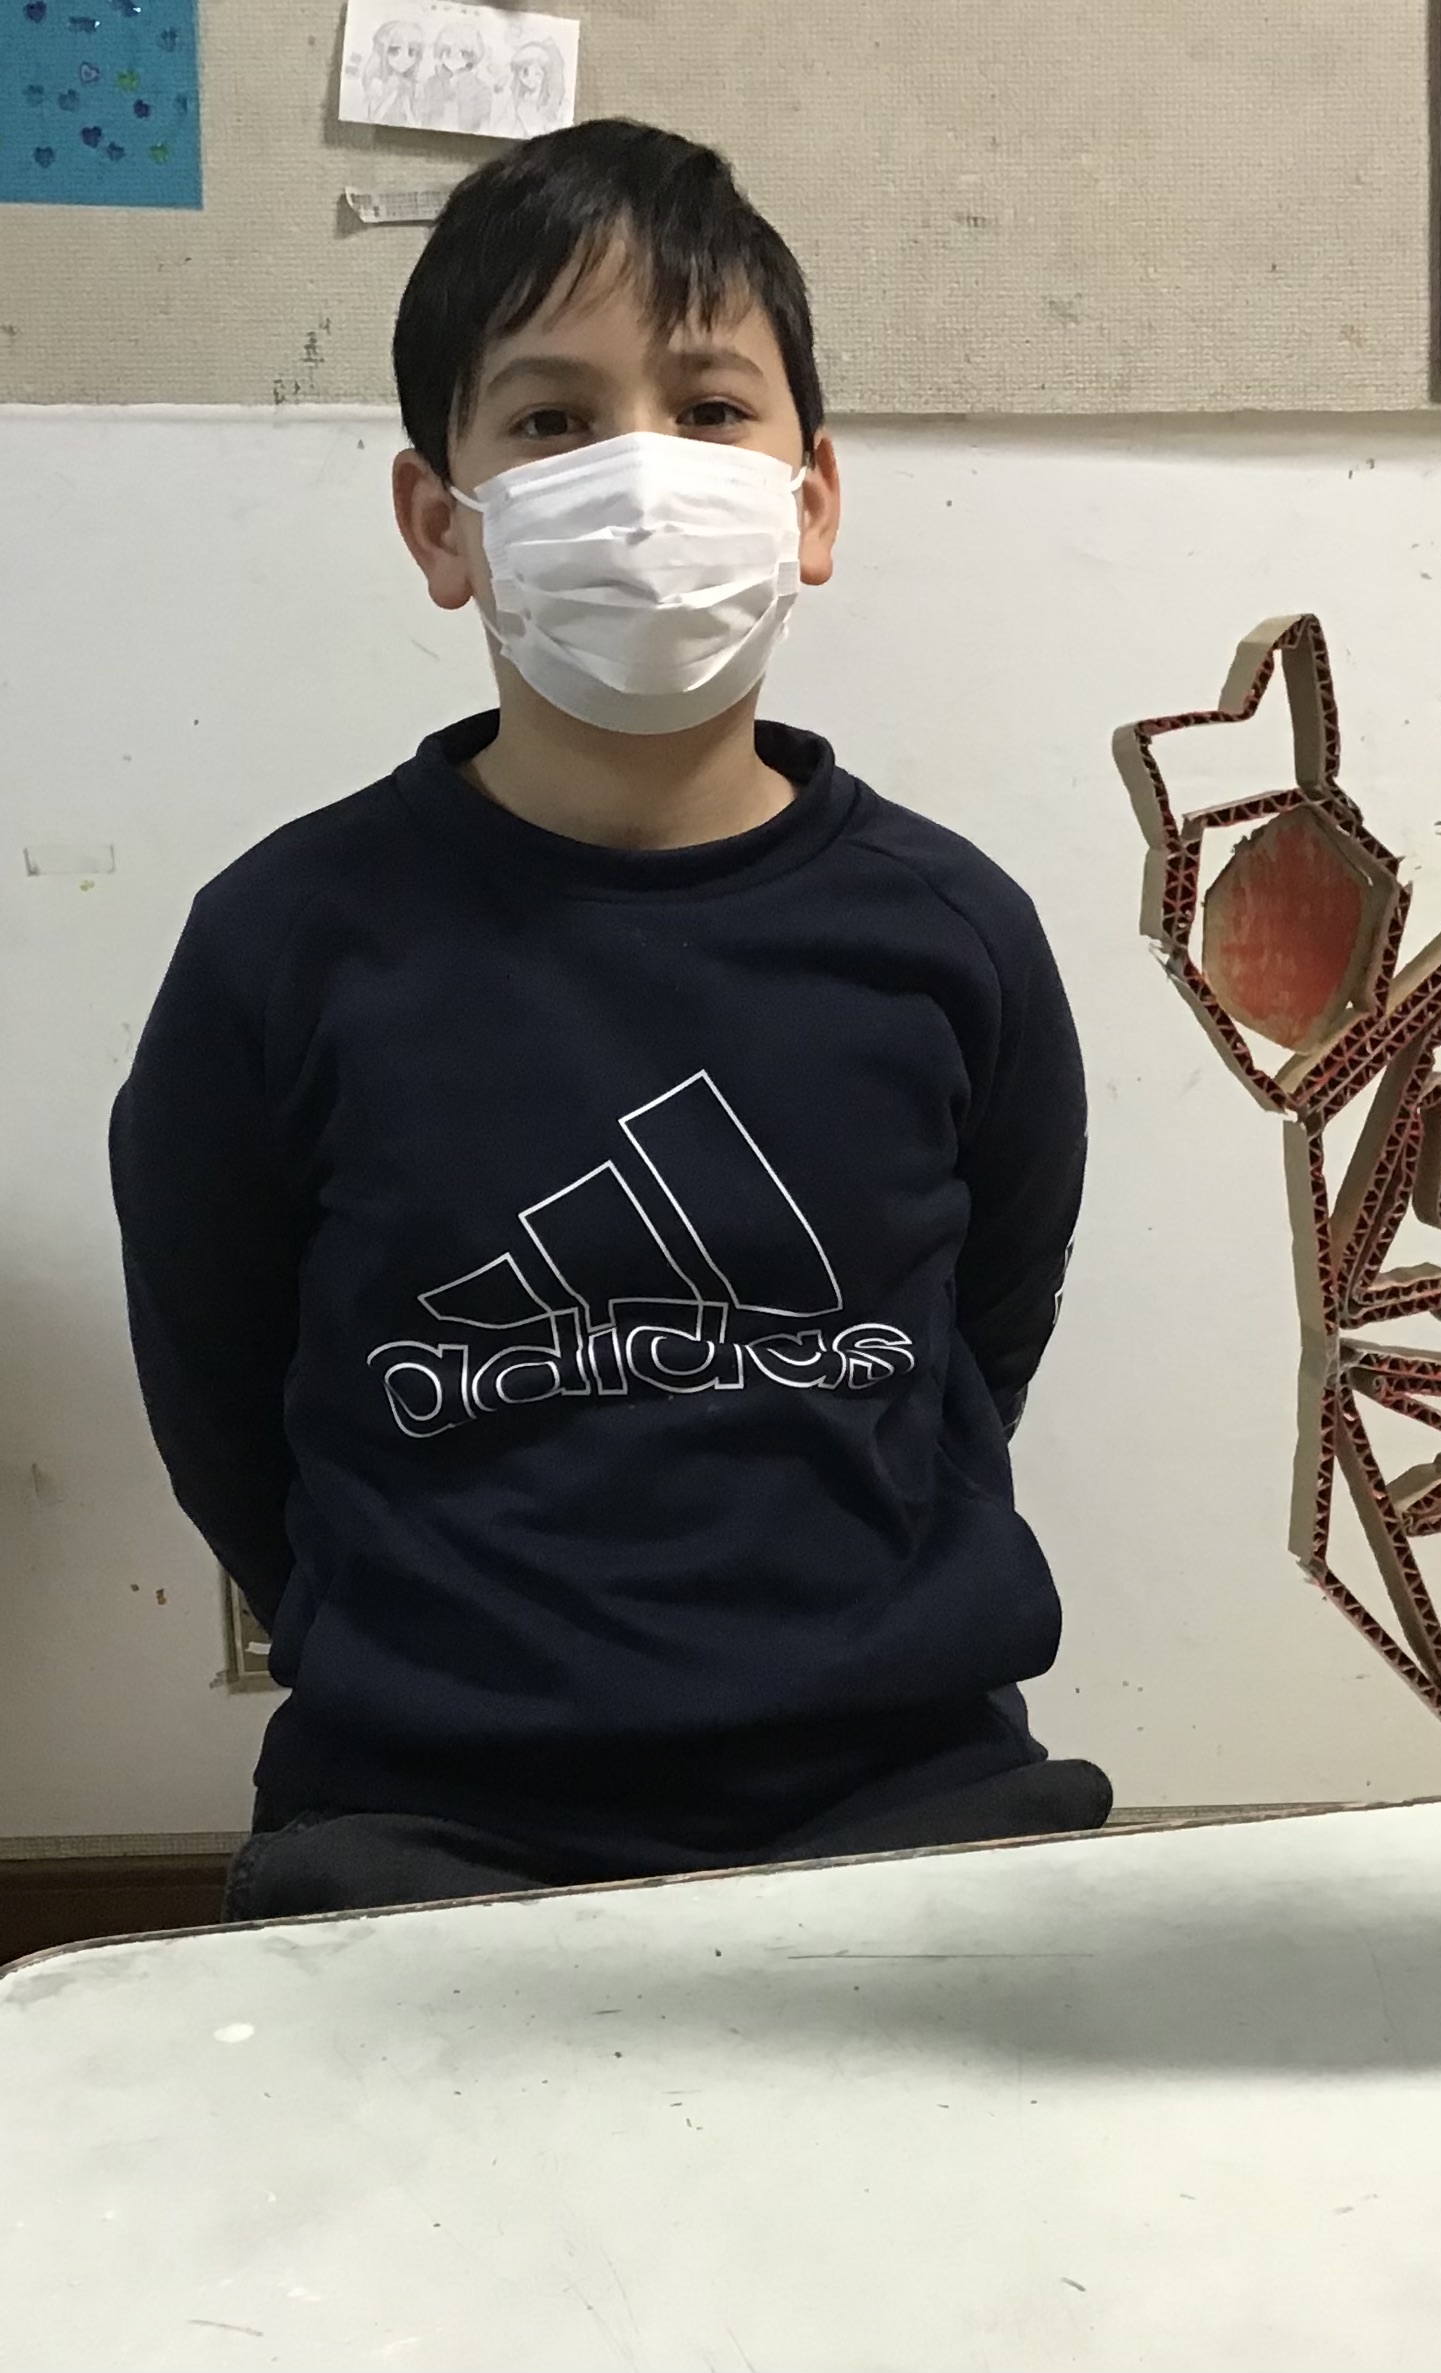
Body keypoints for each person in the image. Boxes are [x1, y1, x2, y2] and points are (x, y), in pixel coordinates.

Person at [110, 119, 1105, 1920]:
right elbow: (225, 1397)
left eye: (711, 409)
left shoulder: (954, 937)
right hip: (424, 1811)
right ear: (442, 523)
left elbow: (981, 1343)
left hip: (903, 1785)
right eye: (554, 420)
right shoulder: (283, 948)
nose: (643, 474)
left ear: (810, 502)